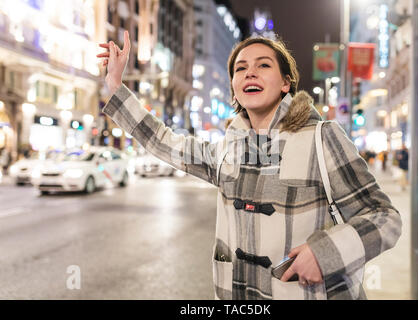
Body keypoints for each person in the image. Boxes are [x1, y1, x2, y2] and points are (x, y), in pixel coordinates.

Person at [96, 32, 402, 300]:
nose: (249, 72)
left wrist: (326, 253)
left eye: (263, 65)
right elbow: (164, 142)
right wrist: (115, 86)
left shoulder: (321, 138)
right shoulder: (228, 149)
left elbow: (384, 217)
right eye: (240, 68)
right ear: (234, 88)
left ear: (286, 83)